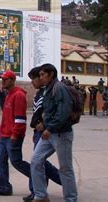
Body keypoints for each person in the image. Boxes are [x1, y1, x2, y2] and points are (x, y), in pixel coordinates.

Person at [31, 63, 78, 202]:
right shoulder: (47, 90)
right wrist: (42, 124)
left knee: (65, 168)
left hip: (61, 134)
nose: (41, 78)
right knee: (36, 161)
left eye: (42, 75)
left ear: (51, 74)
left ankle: (71, 199)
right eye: (39, 75)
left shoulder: (60, 88)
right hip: (49, 133)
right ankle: (41, 195)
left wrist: (49, 128)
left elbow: (63, 113)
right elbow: (49, 112)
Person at [0, 70, 31, 197]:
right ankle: (4, 187)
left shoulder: (18, 95)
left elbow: (20, 118)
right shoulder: (8, 94)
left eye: (5, 79)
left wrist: (15, 134)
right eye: (2, 79)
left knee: (16, 162)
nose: (2, 81)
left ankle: (38, 176)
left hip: (13, 136)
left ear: (12, 80)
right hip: (4, 135)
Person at [24, 67, 62, 201]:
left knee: (38, 161)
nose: (34, 81)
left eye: (35, 78)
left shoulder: (49, 92)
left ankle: (39, 191)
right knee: (38, 162)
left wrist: (45, 125)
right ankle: (38, 191)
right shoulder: (39, 94)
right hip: (38, 131)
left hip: (46, 131)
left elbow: (54, 112)